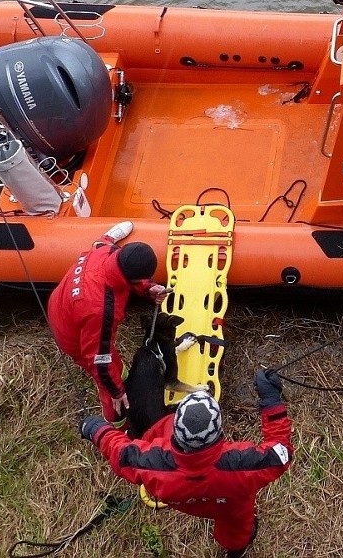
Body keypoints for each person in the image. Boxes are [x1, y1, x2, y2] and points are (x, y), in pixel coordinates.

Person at [80, 369, 292, 558]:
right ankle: (236, 549)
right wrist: (271, 401)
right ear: (219, 433)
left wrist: (98, 430)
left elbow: (121, 453)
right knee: (237, 531)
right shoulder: (242, 464)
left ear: (177, 433)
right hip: (231, 506)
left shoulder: (152, 464)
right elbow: (281, 452)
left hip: (184, 502)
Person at [48, 221, 168, 427]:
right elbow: (98, 360)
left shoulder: (104, 252)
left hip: (61, 305)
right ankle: (118, 426)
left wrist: (148, 288)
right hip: (71, 333)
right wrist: (117, 391)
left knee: (115, 370)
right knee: (112, 381)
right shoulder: (101, 309)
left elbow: (105, 241)